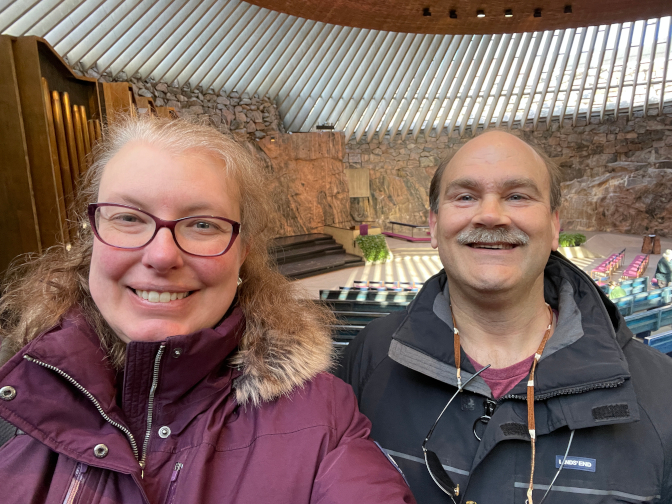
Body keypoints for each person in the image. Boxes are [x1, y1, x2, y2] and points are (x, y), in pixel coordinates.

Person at [0, 117, 415, 504]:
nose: (161, 256)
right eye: (128, 217)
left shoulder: (324, 419)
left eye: (202, 225)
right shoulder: (10, 392)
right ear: (92, 236)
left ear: (242, 253)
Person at [338, 130, 672, 504]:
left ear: (554, 225)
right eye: (465, 196)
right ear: (433, 224)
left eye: (517, 196)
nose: (490, 215)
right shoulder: (369, 358)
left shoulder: (662, 394)